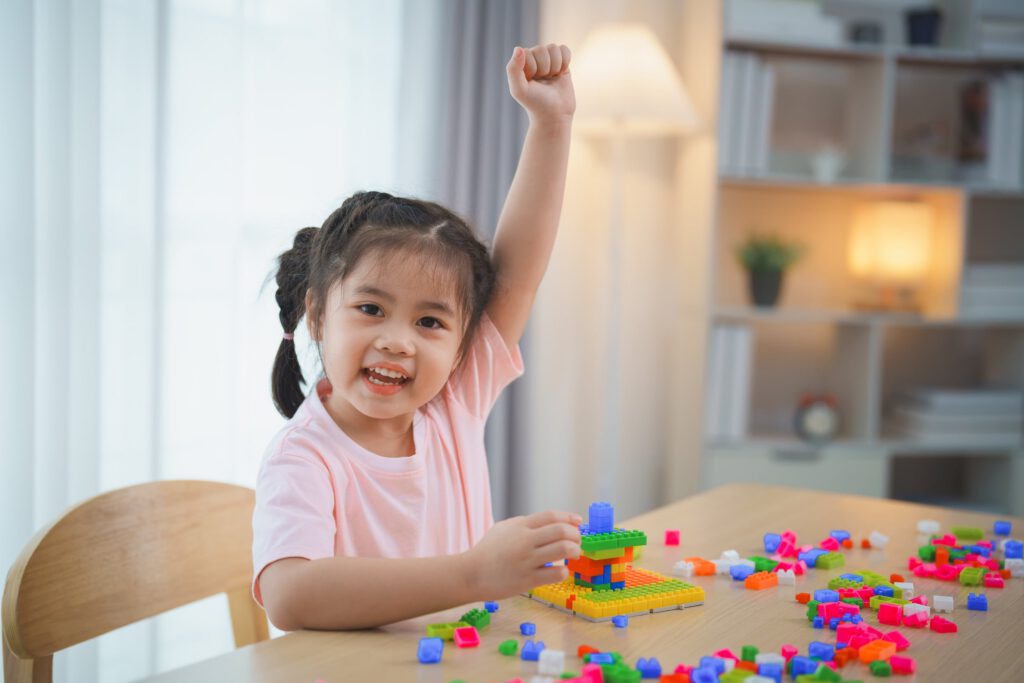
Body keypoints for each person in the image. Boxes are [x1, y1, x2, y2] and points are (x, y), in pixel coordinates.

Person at [254, 43, 579, 630]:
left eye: (430, 322)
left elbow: (518, 275)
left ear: (461, 348)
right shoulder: (303, 458)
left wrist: (552, 124)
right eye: (372, 308)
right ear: (320, 316)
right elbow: (289, 594)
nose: (398, 341)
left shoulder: (452, 400)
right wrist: (475, 573)